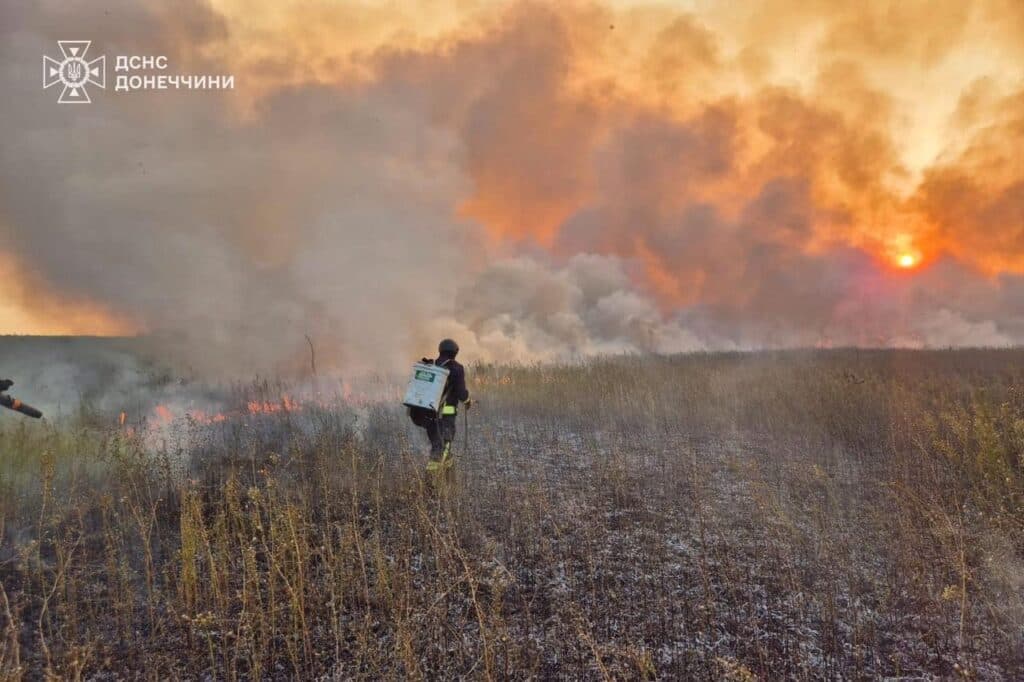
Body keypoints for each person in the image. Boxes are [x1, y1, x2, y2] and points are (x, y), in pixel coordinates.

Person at [410, 338, 470, 469]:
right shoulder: (456, 368)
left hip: (428, 415)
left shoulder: (431, 366)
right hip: (445, 417)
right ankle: (429, 484)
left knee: (440, 445)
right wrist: (467, 401)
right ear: (455, 352)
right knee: (442, 447)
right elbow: (461, 393)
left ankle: (449, 479)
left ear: (440, 350)